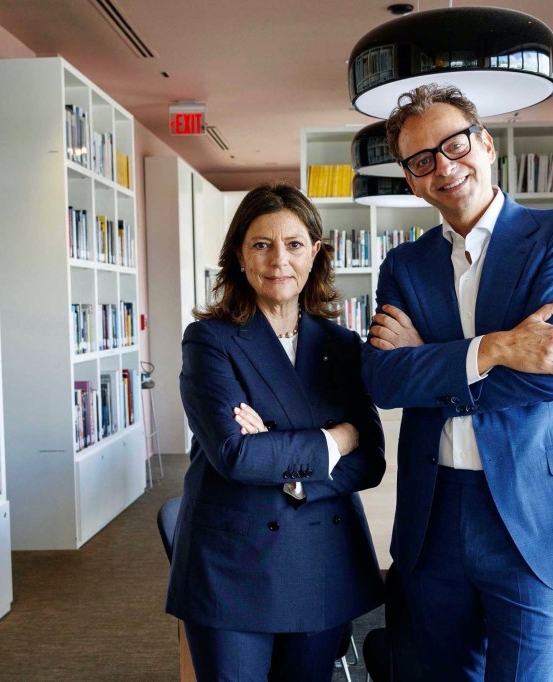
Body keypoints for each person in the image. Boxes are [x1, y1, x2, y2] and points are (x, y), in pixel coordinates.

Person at [361, 84, 553, 681]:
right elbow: (383, 380)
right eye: (422, 160)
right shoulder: (404, 266)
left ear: (485, 145)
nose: (444, 167)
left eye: (455, 145)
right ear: (411, 180)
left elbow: (549, 380)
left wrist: (431, 363)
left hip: (535, 508)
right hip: (435, 513)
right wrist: (501, 348)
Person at [167, 182, 385, 681]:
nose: (278, 260)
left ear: (316, 254)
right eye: (261, 244)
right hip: (232, 566)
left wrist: (279, 451)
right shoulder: (209, 341)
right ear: (239, 256)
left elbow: (371, 458)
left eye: (293, 244)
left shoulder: (342, 344)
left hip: (319, 562)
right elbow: (235, 455)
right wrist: (335, 439)